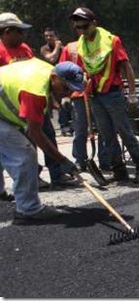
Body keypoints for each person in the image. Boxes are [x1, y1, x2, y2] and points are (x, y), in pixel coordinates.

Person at [69, 7, 139, 183]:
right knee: (106, 136)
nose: (81, 30)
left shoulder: (112, 41)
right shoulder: (82, 44)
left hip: (113, 94)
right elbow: (85, 70)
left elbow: (126, 67)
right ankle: (119, 171)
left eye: (84, 26)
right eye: (78, 27)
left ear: (94, 23)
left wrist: (133, 95)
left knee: (125, 132)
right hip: (95, 96)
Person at [0, 58, 84, 224]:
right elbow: (35, 134)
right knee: (25, 155)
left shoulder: (49, 72)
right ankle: (28, 209)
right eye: (66, 88)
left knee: (6, 149)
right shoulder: (35, 91)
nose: (67, 93)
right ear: (54, 78)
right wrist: (62, 160)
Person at [0, 12, 73, 190]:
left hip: (32, 99)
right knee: (25, 148)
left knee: (47, 133)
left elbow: (37, 72)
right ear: (6, 31)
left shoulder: (24, 48)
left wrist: (51, 100)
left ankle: (57, 173)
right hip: (13, 107)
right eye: (19, 31)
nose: (23, 35)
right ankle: (31, 182)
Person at [59, 40, 114, 173]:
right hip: (78, 95)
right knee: (80, 128)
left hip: (97, 92)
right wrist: (65, 96)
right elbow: (62, 70)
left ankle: (105, 160)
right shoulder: (70, 47)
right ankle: (80, 160)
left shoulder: (100, 44)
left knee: (103, 127)